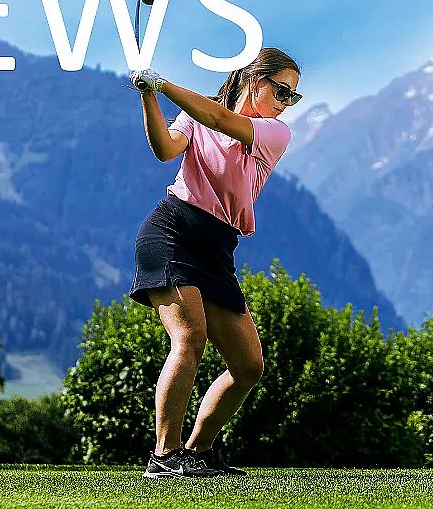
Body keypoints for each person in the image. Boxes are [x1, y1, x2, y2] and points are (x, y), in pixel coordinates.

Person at [127, 48, 302, 478]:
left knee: (248, 365)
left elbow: (220, 121)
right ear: (253, 79)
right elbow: (165, 149)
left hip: (217, 248)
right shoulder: (196, 116)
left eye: (293, 97)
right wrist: (150, 96)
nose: (285, 102)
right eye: (281, 90)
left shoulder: (273, 133)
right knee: (189, 338)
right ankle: (164, 457)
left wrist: (163, 84)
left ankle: (198, 451)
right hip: (172, 232)